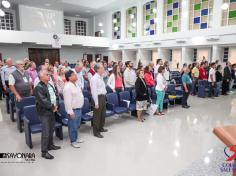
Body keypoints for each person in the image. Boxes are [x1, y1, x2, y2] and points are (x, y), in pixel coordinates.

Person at [34, 69, 61, 160]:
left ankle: (50, 145)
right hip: (44, 112)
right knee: (46, 132)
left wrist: (56, 104)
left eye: (49, 74)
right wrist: (53, 107)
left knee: (51, 129)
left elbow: (55, 95)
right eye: (47, 74)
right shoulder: (38, 87)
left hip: (52, 110)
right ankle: (44, 152)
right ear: (41, 77)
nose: (49, 75)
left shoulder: (49, 85)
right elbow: (43, 101)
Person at [63, 70, 84, 148]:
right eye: (74, 75)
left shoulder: (76, 84)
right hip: (73, 110)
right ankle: (73, 141)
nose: (76, 75)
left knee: (77, 125)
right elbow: (67, 102)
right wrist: (70, 112)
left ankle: (76, 137)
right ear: (69, 77)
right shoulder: (67, 87)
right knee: (72, 126)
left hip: (79, 109)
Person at [90, 63, 108, 138]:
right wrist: (96, 103)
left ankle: (101, 128)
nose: (104, 69)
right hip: (97, 98)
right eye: (102, 68)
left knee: (102, 114)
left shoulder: (100, 77)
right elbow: (94, 91)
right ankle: (96, 132)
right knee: (97, 116)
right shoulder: (94, 78)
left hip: (103, 97)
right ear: (98, 69)